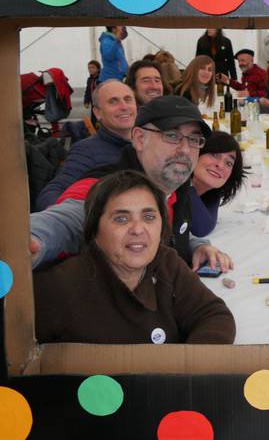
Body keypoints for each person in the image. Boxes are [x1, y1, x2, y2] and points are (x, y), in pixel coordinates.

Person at [30, 96, 232, 272]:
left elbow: (170, 230)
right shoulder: (104, 190)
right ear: (139, 139)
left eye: (194, 139)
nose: (186, 150)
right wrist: (32, 240)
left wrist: (197, 246)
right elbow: (64, 222)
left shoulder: (175, 187)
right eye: (172, 136)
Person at [34, 170, 235, 345]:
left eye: (149, 217)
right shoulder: (55, 288)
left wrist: (187, 367)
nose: (138, 229)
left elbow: (213, 315)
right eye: (121, 219)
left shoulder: (166, 263)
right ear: (94, 229)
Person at [36, 80, 137, 211]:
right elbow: (51, 194)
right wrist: (93, 216)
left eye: (128, 99)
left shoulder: (151, 142)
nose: (124, 107)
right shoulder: (87, 151)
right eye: (113, 101)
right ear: (97, 113)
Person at [190, 132, 245, 237]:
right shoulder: (172, 189)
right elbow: (201, 227)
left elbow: (205, 225)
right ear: (197, 153)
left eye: (228, 163)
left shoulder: (210, 192)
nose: (220, 165)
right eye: (214, 155)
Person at [84, 60, 101, 125]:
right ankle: (94, 129)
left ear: (98, 69)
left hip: (101, 103)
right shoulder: (89, 79)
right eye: (89, 68)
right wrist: (86, 101)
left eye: (93, 67)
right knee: (93, 119)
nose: (90, 69)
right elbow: (88, 91)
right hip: (93, 103)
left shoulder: (101, 78)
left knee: (101, 119)